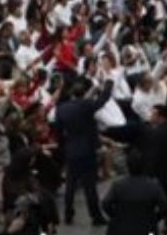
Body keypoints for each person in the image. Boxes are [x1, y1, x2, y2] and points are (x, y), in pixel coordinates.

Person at [55, 79, 112, 226]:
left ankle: (68, 214)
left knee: (70, 184)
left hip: (71, 149)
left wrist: (64, 146)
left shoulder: (61, 108)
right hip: (87, 150)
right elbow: (103, 100)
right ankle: (96, 216)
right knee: (89, 186)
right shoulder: (86, 105)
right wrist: (109, 83)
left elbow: (58, 132)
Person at [101, 150, 167, 235]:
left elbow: (106, 204)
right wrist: (154, 218)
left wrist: (116, 216)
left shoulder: (118, 185)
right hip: (147, 229)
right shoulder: (154, 185)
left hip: (120, 229)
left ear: (128, 166)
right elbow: (165, 206)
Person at [141, 104, 167, 204]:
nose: (150, 116)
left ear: (160, 116)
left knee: (160, 197)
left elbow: (154, 154)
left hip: (160, 171)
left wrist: (148, 172)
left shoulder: (157, 133)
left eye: (152, 114)